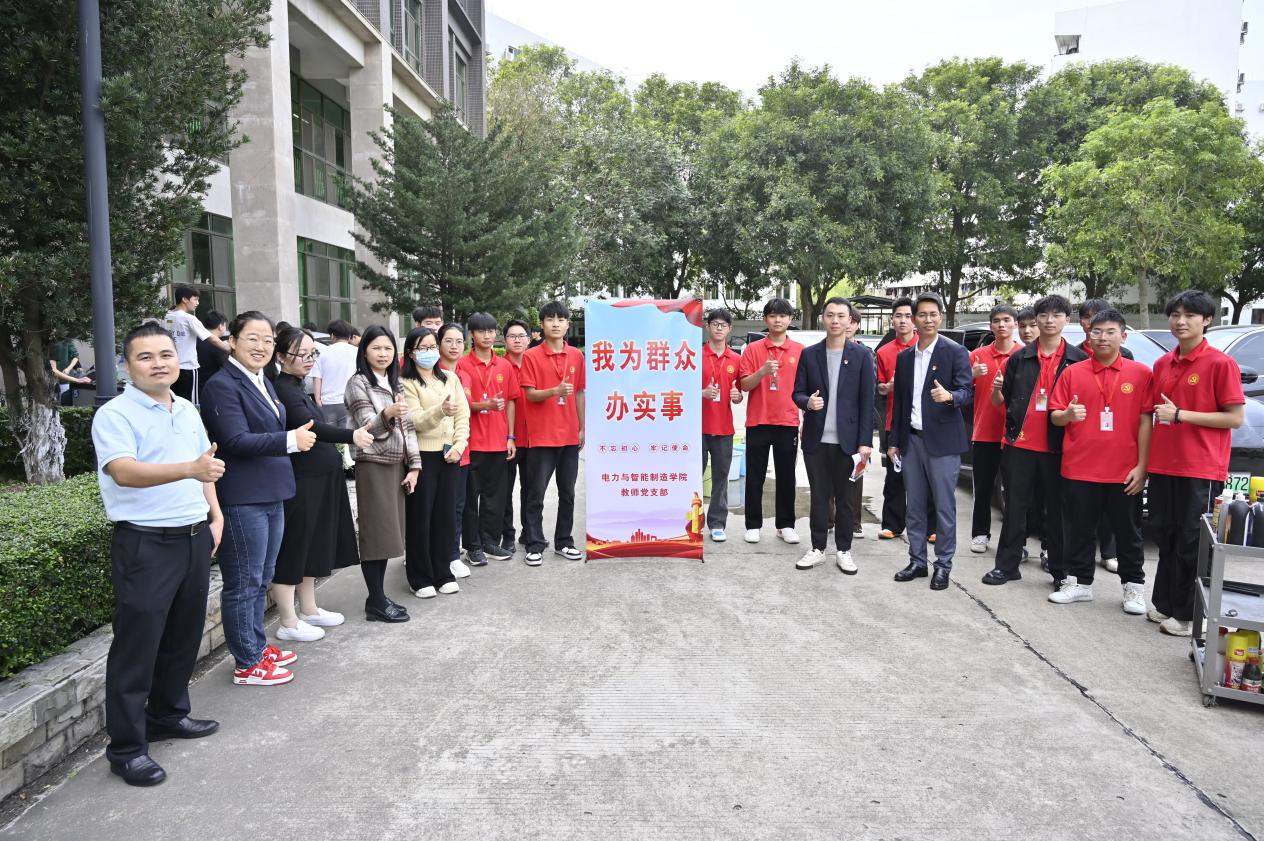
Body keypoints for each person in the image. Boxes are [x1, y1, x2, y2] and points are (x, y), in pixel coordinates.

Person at [91, 323, 226, 787]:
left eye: (166, 354)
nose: (159, 363)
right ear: (127, 366)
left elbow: (205, 465)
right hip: (145, 543)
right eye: (145, 357)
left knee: (182, 637)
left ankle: (168, 714)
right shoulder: (114, 414)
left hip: (193, 536)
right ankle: (127, 749)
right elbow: (123, 472)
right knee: (137, 647)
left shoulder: (186, 408)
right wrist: (189, 469)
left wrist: (214, 515)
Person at [200, 311, 314, 686]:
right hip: (242, 497)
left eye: (267, 339)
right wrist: (290, 440)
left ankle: (256, 646)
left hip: (271, 491)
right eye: (252, 338)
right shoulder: (221, 385)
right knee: (244, 582)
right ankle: (247, 663)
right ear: (232, 341)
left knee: (261, 577)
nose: (261, 346)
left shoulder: (261, 379)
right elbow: (235, 440)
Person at [1147, 290, 1245, 636]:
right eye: (1175, 314)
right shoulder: (1162, 363)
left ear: (1207, 320)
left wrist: (1181, 415)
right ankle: (1165, 604)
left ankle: (1189, 616)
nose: (1181, 321)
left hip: (1200, 467)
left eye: (1190, 315)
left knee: (1193, 541)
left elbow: (1234, 418)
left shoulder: (1220, 363)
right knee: (1166, 535)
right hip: (1164, 465)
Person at [270, 327, 373, 641]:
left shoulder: (297, 387)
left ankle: (309, 608)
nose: (309, 359)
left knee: (313, 546)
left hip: (320, 477)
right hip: (303, 480)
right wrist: (352, 435)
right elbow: (312, 427)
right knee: (295, 546)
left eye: (312, 353)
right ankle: (288, 621)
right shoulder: (283, 389)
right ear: (281, 356)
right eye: (301, 354)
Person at [1048, 309, 1153, 614]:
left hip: (1124, 471)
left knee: (1128, 532)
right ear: (1088, 335)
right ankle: (1079, 583)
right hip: (1080, 468)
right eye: (1096, 332)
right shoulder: (1072, 372)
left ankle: (1133, 587)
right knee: (1079, 530)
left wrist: (1142, 466)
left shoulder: (1141, 374)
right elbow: (1055, 416)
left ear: (1123, 336)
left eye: (1110, 332)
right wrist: (1067, 415)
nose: (1102, 337)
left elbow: (1146, 421)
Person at [984, 295, 1087, 587]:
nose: (1049, 320)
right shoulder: (1020, 357)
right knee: (1014, 509)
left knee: (1057, 512)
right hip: (1020, 445)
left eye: (1057, 315)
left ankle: (1060, 571)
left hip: (1059, 448)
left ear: (1067, 320)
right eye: (1044, 315)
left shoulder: (1078, 360)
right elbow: (1008, 400)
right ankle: (1007, 566)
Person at [887, 292, 971, 590]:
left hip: (943, 443)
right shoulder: (904, 358)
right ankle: (917, 561)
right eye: (922, 314)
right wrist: (894, 441)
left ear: (941, 317)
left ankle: (943, 565)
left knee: (945, 507)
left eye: (933, 314)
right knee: (914, 506)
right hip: (911, 441)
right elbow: (900, 403)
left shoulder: (955, 352)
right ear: (914, 319)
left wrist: (949, 397)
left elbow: (966, 391)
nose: (928, 319)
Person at [792, 298, 875, 573]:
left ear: (850, 320)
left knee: (846, 499)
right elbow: (797, 392)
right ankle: (817, 548)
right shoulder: (810, 354)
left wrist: (865, 442)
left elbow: (867, 402)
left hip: (848, 443)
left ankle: (843, 550)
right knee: (818, 497)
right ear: (823, 319)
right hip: (816, 440)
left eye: (841, 315)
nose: (835, 320)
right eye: (830, 315)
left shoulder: (862, 356)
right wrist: (807, 402)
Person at [345, 325, 421, 621]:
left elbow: (408, 428)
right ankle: (375, 599)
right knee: (376, 533)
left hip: (396, 464)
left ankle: (377, 597)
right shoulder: (358, 383)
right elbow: (367, 427)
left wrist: (414, 466)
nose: (383, 353)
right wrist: (387, 414)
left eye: (388, 348)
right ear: (364, 351)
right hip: (373, 463)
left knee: (390, 534)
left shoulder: (394, 382)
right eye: (376, 348)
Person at [401, 327, 470, 598]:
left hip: (449, 455)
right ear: (411, 353)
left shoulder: (450, 378)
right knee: (421, 518)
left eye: (432, 347)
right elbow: (414, 420)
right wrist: (440, 411)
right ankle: (419, 577)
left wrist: (460, 445)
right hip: (422, 457)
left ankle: (443, 572)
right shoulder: (406, 382)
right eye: (423, 348)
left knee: (445, 517)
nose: (429, 352)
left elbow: (463, 416)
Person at [519, 300, 586, 565]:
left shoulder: (577, 356)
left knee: (567, 493)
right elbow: (529, 395)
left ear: (568, 324)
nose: (555, 324)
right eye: (550, 319)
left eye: (561, 319)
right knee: (536, 494)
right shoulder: (531, 356)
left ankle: (564, 542)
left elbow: (579, 393)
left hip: (569, 435)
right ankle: (535, 544)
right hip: (542, 436)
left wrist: (582, 427)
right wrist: (554, 391)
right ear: (542, 324)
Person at [738, 297, 805, 544]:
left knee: (786, 476)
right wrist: (763, 371)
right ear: (766, 319)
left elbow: (805, 387)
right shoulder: (752, 350)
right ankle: (753, 524)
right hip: (758, 420)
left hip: (787, 421)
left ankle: (785, 524)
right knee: (755, 475)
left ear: (790, 319)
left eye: (783, 316)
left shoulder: (800, 351)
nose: (778, 320)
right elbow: (744, 385)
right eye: (773, 316)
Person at [456, 312, 521, 563]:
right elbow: (462, 405)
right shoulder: (462, 365)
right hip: (471, 443)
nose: (487, 335)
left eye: (491, 330)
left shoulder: (504, 365)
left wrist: (511, 436)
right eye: (481, 331)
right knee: (470, 499)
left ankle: (490, 542)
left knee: (495, 497)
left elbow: (511, 402)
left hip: (498, 441)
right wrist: (486, 405)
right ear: (471, 334)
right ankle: (473, 546)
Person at [1076, 298, 1134, 573]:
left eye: (1108, 328)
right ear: (1084, 325)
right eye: (1091, 320)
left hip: (1118, 447)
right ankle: (1079, 574)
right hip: (1084, 446)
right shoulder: (1075, 356)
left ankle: (1110, 554)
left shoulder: (1129, 359)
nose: (1100, 332)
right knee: (1082, 515)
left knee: (1117, 510)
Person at [876, 298, 934, 541]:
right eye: (898, 316)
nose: (903, 321)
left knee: (928, 477)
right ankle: (892, 523)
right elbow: (879, 388)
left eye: (908, 316)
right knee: (895, 476)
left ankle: (931, 528)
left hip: (924, 423)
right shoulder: (883, 352)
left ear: (916, 319)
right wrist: (887, 387)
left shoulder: (927, 347)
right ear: (892, 319)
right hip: (895, 422)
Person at [967, 304, 1019, 554]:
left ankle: (1014, 541)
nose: (1001, 325)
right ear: (991, 326)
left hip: (1015, 435)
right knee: (983, 488)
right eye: (997, 321)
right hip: (984, 432)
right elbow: (959, 387)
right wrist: (971, 373)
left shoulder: (1023, 355)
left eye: (1007, 320)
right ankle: (980, 534)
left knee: (1015, 492)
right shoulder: (977, 355)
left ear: (1015, 324)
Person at [701, 308, 744, 543]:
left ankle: (717, 523)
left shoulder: (736, 359)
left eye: (723, 325)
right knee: (693, 476)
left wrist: (738, 396)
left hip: (724, 427)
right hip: (697, 428)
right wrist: (702, 393)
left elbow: (739, 392)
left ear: (729, 329)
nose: (719, 328)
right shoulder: (694, 355)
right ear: (707, 326)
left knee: (721, 477)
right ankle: (691, 521)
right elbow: (680, 389)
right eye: (714, 323)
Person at [437, 323, 474, 578]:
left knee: (457, 506)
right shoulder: (430, 373)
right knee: (435, 507)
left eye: (459, 341)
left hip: (460, 449)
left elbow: (465, 415)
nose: (454, 346)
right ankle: (434, 554)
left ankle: (452, 554)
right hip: (433, 451)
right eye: (448, 341)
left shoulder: (465, 374)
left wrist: (461, 444)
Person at [165, 284, 229, 405]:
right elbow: (211, 338)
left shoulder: (167, 316)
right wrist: (227, 347)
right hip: (188, 367)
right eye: (195, 299)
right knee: (190, 404)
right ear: (185, 299)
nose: (197, 303)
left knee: (172, 401)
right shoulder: (189, 318)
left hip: (170, 366)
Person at [501, 319, 534, 552]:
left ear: (529, 339)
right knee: (505, 490)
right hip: (507, 439)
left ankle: (529, 532)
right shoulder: (499, 366)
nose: (517, 340)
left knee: (531, 490)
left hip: (534, 439)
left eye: (521, 336)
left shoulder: (535, 364)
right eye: (512, 336)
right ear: (505, 340)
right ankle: (507, 536)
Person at [311, 319, 360, 428]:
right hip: (351, 401)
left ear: (332, 335)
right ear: (349, 336)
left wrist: (318, 399)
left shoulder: (321, 353)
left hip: (327, 402)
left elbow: (317, 378)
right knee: (348, 434)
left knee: (330, 435)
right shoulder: (357, 353)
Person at [196, 311, 230, 385]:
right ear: (220, 326)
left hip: (196, 382)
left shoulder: (195, 340)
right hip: (213, 383)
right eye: (225, 325)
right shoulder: (219, 346)